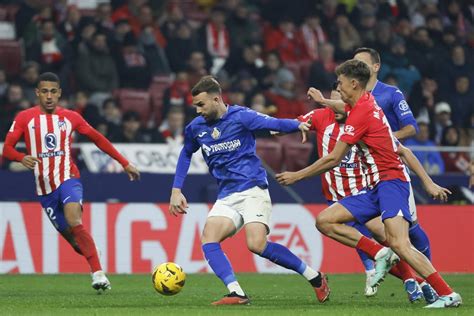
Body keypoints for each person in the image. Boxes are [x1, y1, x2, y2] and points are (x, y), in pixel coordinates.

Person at [275, 60, 462, 308]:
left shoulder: (360, 113)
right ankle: (380, 253)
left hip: (391, 182)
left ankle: (446, 293)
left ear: (354, 83)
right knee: (325, 221)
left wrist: (297, 176)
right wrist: (322, 101)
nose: (338, 88)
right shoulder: (363, 104)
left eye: (340, 84)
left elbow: (333, 158)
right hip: (374, 187)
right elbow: (341, 106)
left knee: (400, 242)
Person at [169, 76, 329, 305]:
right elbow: (186, 153)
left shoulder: (241, 116)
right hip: (226, 194)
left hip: (253, 188)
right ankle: (236, 292)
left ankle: (315, 278)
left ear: (216, 99)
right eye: (195, 105)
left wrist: (298, 124)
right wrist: (177, 189)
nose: (197, 110)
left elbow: (272, 123)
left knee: (256, 244)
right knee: (209, 238)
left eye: (201, 105)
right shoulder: (196, 128)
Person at [296, 88, 440, 303]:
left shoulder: (366, 123)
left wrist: (428, 182)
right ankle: (410, 279)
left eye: (340, 101)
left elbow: (335, 158)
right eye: (331, 102)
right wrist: (278, 127)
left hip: (369, 191)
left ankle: (421, 281)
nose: (335, 106)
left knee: (394, 238)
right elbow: (296, 122)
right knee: (371, 244)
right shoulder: (321, 117)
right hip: (340, 198)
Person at [2, 72, 140, 292]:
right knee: (75, 241)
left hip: (69, 178)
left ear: (59, 94)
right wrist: (21, 157)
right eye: (44, 91)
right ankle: (91, 253)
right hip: (44, 190)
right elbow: (7, 149)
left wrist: (124, 162)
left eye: (53, 91)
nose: (49, 96)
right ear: (37, 93)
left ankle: (98, 274)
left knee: (74, 219)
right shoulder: (24, 118)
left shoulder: (71, 117)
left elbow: (98, 138)